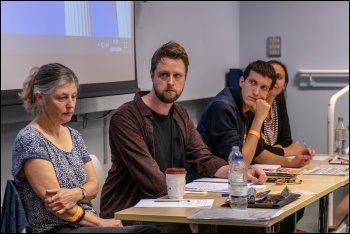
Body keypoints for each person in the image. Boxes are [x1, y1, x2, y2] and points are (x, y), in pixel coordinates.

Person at [99, 41, 267, 233]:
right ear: (151, 75)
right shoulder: (126, 118)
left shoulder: (180, 115)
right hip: (129, 216)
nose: (171, 82)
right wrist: (188, 211)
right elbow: (152, 179)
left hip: (166, 208)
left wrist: (239, 173)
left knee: (238, 222)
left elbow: (203, 157)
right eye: (164, 75)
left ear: (185, 78)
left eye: (177, 76)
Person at [11, 62, 162, 233]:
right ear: (40, 97)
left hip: (84, 224)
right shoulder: (30, 139)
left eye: (73, 96)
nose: (70, 104)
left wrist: (76, 193)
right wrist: (100, 223)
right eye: (62, 98)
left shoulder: (73, 135)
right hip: (58, 228)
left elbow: (93, 186)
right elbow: (59, 207)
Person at [196, 60, 315, 168]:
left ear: (268, 92)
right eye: (252, 82)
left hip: (226, 178)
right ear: (242, 81)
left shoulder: (250, 105)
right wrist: (258, 119)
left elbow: (258, 152)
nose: (256, 92)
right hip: (201, 180)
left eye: (263, 87)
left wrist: (292, 162)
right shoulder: (223, 107)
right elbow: (239, 164)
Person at [265, 60, 316, 233]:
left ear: (284, 84)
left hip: (273, 165)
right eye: (270, 74)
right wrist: (288, 151)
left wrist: (277, 149)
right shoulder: (254, 106)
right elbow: (259, 150)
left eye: (278, 77)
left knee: (296, 202)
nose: (273, 80)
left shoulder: (278, 103)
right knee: (286, 203)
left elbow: (287, 140)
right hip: (258, 168)